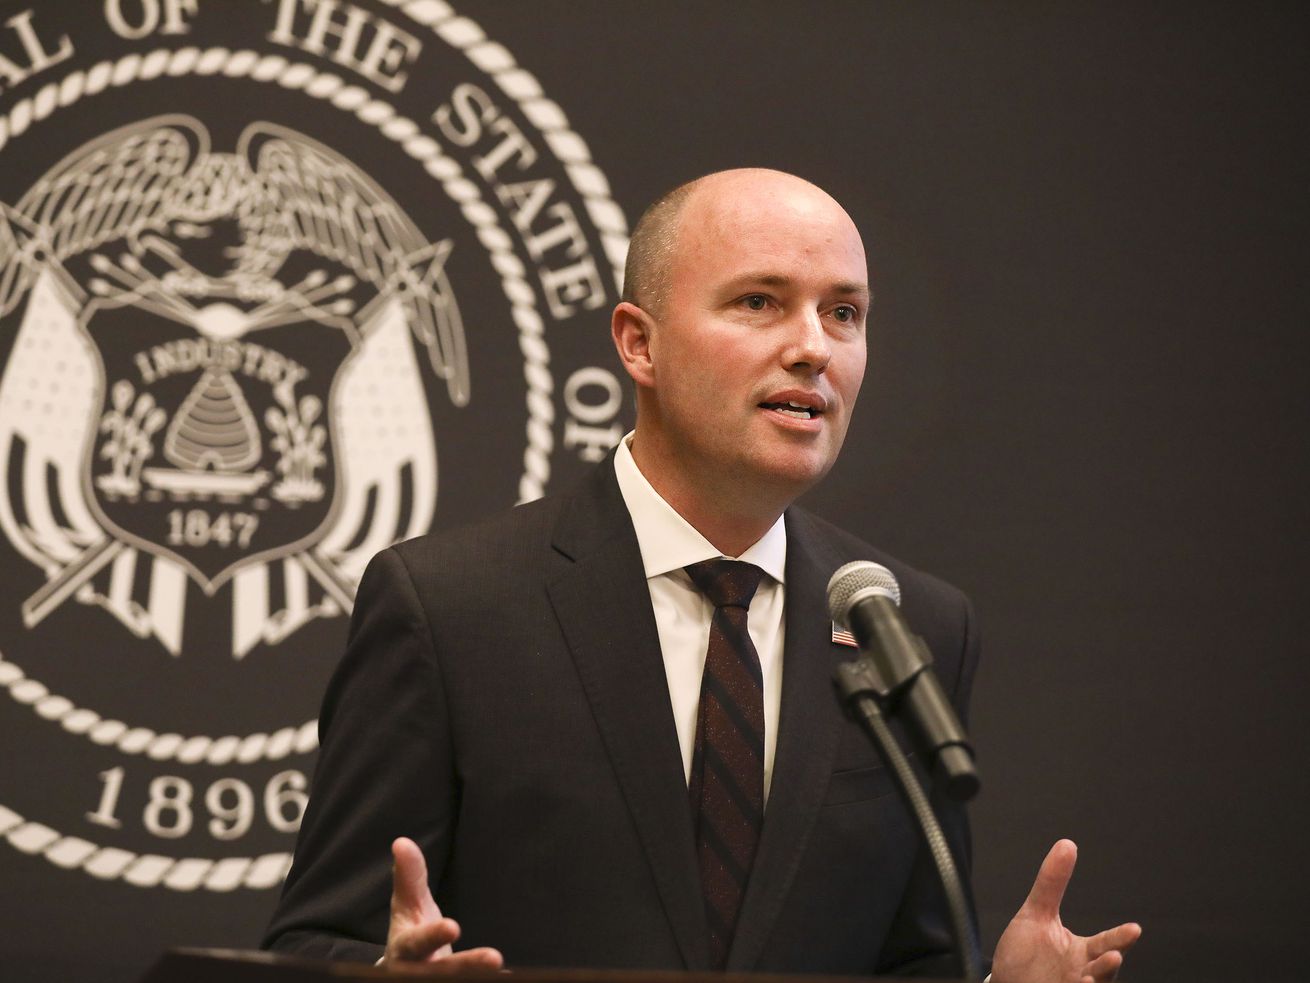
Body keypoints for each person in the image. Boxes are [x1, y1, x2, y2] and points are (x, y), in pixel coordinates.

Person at [263, 169, 1140, 980]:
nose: (813, 348)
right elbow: (314, 939)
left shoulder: (911, 625)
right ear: (639, 344)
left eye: (844, 313)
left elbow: (911, 958)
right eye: (760, 302)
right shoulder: (451, 609)